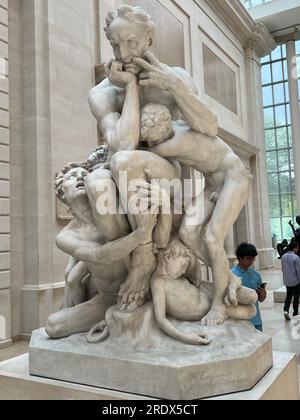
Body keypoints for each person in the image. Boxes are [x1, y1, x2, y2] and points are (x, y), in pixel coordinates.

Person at [88, 4, 218, 311]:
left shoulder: (176, 77)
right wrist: (131, 87)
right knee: (96, 182)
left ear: (149, 39)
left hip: (163, 171)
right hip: (121, 166)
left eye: (131, 42)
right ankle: (120, 271)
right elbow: (122, 143)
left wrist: (172, 85)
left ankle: (145, 256)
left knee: (125, 163)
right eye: (116, 44)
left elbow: (209, 127)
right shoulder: (102, 92)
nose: (124, 53)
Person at [46, 163, 157, 339]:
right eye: (72, 176)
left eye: (84, 174)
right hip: (111, 297)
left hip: (150, 283)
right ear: (62, 193)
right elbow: (101, 255)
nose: (81, 177)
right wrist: (140, 234)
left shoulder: (112, 207)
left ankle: (139, 309)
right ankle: (116, 315)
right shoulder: (67, 236)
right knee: (54, 325)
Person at [150, 238, 258, 345]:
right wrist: (187, 338)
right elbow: (160, 320)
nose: (183, 271)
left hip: (211, 292)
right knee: (251, 311)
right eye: (183, 265)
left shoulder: (176, 277)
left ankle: (232, 284)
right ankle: (228, 300)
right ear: (168, 257)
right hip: (209, 310)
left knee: (253, 296)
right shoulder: (158, 282)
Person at [231, 243, 267, 332]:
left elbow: (261, 299)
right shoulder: (231, 275)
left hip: (256, 319)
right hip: (238, 320)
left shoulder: (256, 275)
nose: (251, 261)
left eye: (253, 258)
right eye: (248, 258)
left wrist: (263, 294)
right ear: (240, 258)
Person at [281, 240, 300, 321]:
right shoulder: (296, 257)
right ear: (295, 248)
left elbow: (283, 269)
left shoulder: (283, 256)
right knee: (296, 297)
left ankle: (286, 310)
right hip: (295, 281)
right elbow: (298, 270)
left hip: (287, 280)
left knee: (288, 296)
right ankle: (295, 313)